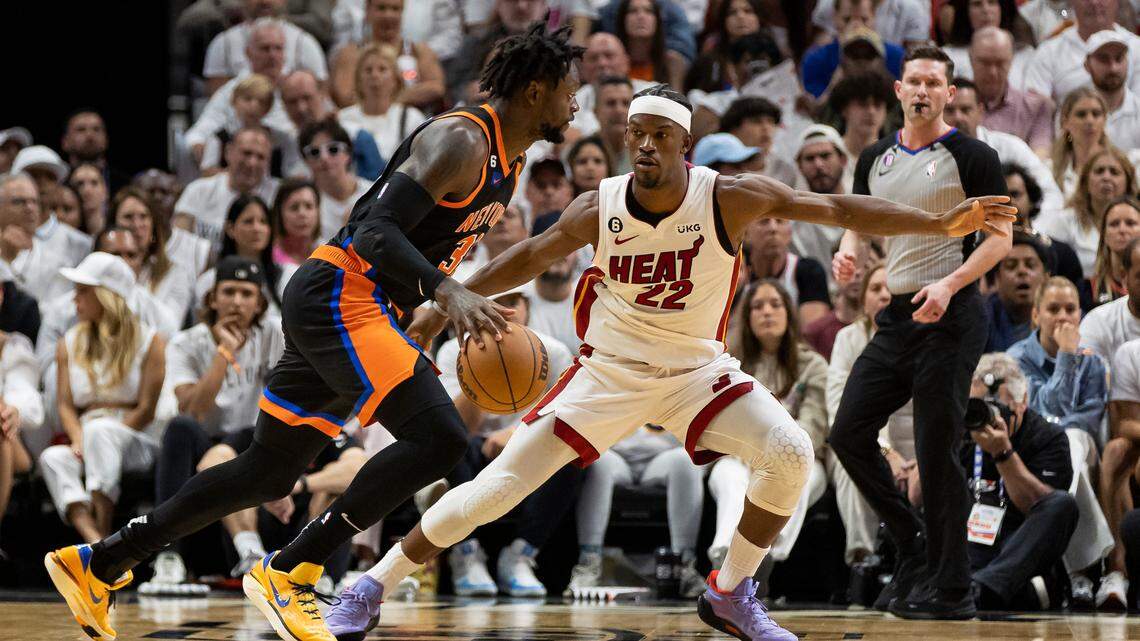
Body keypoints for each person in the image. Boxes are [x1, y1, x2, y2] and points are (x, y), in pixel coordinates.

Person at [323, 80, 1013, 641]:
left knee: (791, 453)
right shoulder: (602, 205)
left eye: (659, 136)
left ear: (684, 143)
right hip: (608, 373)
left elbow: (835, 205)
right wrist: (446, 301)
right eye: (636, 135)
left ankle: (730, 590)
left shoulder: (731, 195)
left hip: (697, 372)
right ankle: (370, 583)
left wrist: (939, 224)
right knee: (498, 486)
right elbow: (527, 257)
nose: (645, 146)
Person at [45, 24, 587, 641]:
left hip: (359, 305)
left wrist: (434, 305)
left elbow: (426, 249)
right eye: (571, 90)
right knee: (438, 437)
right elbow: (374, 230)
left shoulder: (508, 164)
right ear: (537, 90)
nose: (577, 104)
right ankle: (294, 569)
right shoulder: (462, 139)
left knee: (268, 471)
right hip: (341, 293)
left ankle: (99, 562)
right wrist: (446, 291)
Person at [829, 46, 1013, 620]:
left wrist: (951, 285)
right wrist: (848, 249)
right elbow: (858, 217)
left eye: (935, 82)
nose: (923, 91)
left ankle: (953, 588)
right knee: (847, 433)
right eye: (914, 81)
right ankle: (911, 541)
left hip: (953, 313)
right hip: (900, 314)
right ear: (897, 88)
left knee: (936, 449)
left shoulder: (974, 155)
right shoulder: (875, 157)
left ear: (949, 93)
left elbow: (1001, 240)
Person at [434, 287, 576, 597]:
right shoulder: (450, 351)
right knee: (450, 444)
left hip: (527, 447)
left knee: (574, 453)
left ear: (526, 308)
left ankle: (522, 554)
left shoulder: (554, 351)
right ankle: (466, 552)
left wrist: (515, 435)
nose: (502, 311)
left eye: (513, 302)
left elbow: (563, 416)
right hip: (474, 450)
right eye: (495, 301)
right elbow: (454, 426)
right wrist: (483, 372)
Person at [933, 353, 1078, 611]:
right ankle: (991, 590)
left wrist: (1003, 454)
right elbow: (919, 498)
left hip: (1019, 545)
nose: (985, 417)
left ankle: (981, 589)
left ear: (1021, 402)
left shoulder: (1048, 437)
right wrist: (937, 437)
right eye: (976, 406)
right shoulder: (964, 432)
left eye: (993, 406)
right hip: (972, 543)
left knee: (1062, 505)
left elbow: (1037, 507)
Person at [38, 252, 166, 544]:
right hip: (87, 432)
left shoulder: (150, 341)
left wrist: (98, 439)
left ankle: (107, 532)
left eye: (84, 291)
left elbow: (147, 408)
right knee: (53, 458)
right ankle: (96, 543)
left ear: (108, 295)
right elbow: (65, 405)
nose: (75, 299)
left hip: (136, 438)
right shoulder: (68, 342)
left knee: (101, 433)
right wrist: (79, 440)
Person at [709, 280, 831, 580]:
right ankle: (724, 552)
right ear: (747, 317)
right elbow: (722, 418)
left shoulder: (813, 365)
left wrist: (776, 456)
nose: (767, 312)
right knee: (729, 475)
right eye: (758, 306)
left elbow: (814, 425)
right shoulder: (730, 365)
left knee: (798, 476)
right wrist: (750, 453)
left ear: (789, 313)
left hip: (801, 457)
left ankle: (765, 560)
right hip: (740, 456)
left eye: (775, 305)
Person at [826, 262, 916, 531]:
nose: (885, 295)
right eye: (875, 288)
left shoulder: (925, 339)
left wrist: (921, 461)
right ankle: (862, 558)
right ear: (863, 301)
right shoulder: (847, 339)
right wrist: (887, 453)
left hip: (917, 448)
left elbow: (939, 413)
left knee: (942, 461)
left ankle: (925, 552)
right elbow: (837, 408)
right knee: (850, 460)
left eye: (892, 289)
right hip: (870, 445)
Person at [1008, 277, 1109, 443]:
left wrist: (1055, 426)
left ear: (1079, 315)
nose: (1063, 317)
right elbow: (1050, 410)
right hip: (1031, 447)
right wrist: (1067, 354)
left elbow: (1091, 422)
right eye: (1053, 309)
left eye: (1070, 309)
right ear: (1035, 315)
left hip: (1078, 448)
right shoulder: (1016, 360)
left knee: (1075, 437)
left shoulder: (1092, 362)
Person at [944, 78, 1064, 214]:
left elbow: (1052, 196)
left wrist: (1029, 229)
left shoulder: (1011, 147)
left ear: (980, 111)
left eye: (966, 110)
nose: (958, 117)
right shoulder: (925, 154)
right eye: (949, 110)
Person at [174, 127, 281, 250]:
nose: (252, 163)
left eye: (261, 157)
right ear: (228, 152)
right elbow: (179, 241)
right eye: (246, 153)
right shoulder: (197, 190)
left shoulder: (279, 194)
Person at [327, 0, 446, 111]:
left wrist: (386, 99)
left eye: (395, 9)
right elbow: (344, 97)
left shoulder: (419, 51)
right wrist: (405, 96)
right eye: (381, 8)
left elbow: (436, 88)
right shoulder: (352, 53)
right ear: (368, 11)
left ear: (402, 12)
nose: (388, 15)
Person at [192, 195, 295, 321]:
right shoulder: (208, 280)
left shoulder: (288, 276)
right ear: (230, 229)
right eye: (248, 221)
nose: (257, 228)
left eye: (263, 222)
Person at [1037, 146, 1136, 275]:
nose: (1106, 177)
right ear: (1085, 181)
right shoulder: (1064, 222)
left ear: (1128, 182)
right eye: (1099, 171)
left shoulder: (1137, 219)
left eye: (1114, 172)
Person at [106, 188, 197, 330]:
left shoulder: (176, 274)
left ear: (153, 226)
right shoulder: (100, 266)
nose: (137, 225)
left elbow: (170, 328)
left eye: (143, 217)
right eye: (128, 217)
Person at [1023, 0, 1140, 104]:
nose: (1094, 2)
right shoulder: (1048, 52)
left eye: (1119, 58)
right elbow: (1035, 112)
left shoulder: (1136, 48)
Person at [202, 0, 328, 95]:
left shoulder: (305, 42)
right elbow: (216, 96)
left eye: (278, 48)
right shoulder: (223, 43)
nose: (264, 1)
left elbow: (320, 97)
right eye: (265, 48)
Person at [279, 70, 385, 181]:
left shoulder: (356, 137)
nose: (301, 108)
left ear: (322, 94)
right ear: (283, 105)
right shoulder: (284, 144)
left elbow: (377, 187)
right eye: (292, 101)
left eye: (307, 98)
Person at [970, 27, 1055, 157]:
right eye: (985, 63)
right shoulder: (951, 106)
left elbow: (1040, 156)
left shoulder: (1035, 107)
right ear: (970, 59)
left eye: (1000, 63)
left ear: (1012, 61)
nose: (993, 72)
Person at [337, 44, 427, 165]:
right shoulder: (342, 118)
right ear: (358, 80)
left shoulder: (412, 118)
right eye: (368, 70)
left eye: (382, 69)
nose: (375, 75)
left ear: (395, 79)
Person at [0, 174, 81, 307]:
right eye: (19, 201)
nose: (30, 208)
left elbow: (54, 315)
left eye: (34, 201)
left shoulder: (56, 262)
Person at [801, 0, 905, 100]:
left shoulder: (898, 57)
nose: (856, 26)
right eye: (847, 19)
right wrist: (834, 86)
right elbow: (812, 110)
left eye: (864, 19)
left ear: (874, 17)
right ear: (835, 17)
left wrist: (884, 78)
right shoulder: (815, 60)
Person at [1004, 164, 1085, 289]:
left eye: (1015, 194)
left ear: (1031, 200)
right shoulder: (979, 253)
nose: (1009, 201)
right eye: (1001, 197)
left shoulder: (1062, 254)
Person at [744, 217, 832, 327]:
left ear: (790, 232)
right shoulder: (735, 274)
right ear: (745, 233)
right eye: (764, 221)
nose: (773, 228)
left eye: (779, 221)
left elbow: (813, 334)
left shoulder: (809, 271)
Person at [298, 118, 372, 240]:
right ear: (305, 160)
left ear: (348, 154)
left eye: (333, 149)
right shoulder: (305, 205)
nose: (324, 158)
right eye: (314, 152)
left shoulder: (374, 191)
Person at [791, 124, 851, 275]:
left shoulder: (866, 202)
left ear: (843, 159)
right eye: (810, 158)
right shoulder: (791, 220)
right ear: (799, 166)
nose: (818, 165)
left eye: (825, 156)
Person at [941, 0, 1036, 87]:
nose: (986, 10)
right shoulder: (948, 55)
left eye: (992, 2)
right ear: (965, 12)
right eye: (977, 4)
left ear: (1003, 9)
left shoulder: (1025, 54)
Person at [983, 231, 1050, 352]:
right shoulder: (980, 319)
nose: (1022, 271)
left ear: (1046, 277)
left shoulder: (1064, 313)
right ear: (997, 279)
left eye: (1030, 265)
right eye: (1011, 265)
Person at [825, 70, 895, 185]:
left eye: (877, 105)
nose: (871, 111)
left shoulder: (896, 159)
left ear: (886, 111)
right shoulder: (825, 155)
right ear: (844, 109)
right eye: (863, 104)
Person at [685, 0, 765, 93]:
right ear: (723, 21)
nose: (740, 16)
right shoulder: (709, 61)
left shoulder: (772, 54)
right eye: (732, 13)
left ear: (759, 18)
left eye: (748, 11)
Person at [1047, 87, 1110, 201]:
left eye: (1096, 114)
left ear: (1104, 120)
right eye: (1081, 114)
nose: (1090, 121)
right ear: (1065, 122)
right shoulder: (1049, 170)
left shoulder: (1121, 165)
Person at [613, 0, 690, 89]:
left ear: (657, 20)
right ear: (622, 19)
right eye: (633, 11)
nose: (641, 16)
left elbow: (677, 101)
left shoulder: (672, 62)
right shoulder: (611, 60)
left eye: (648, 11)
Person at [1085, 30, 1140, 153]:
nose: (1113, 68)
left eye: (1119, 58)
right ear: (1087, 64)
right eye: (1104, 59)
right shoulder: (1074, 111)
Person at [1088, 196, 1140, 308]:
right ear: (1104, 235)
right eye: (1114, 224)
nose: (1122, 230)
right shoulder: (1087, 289)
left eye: (1130, 223)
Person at [271, 178, 322, 265]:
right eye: (294, 207)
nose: (302, 214)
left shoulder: (328, 253)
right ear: (279, 214)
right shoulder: (269, 257)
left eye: (308, 206)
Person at [68, 163, 110, 238]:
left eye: (94, 183)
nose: (87, 190)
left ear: (105, 191)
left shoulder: (114, 229)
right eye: (80, 184)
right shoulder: (64, 231)